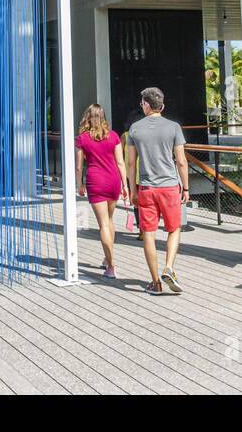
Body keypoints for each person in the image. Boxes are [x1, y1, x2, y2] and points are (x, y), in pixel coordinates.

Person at [125, 87, 189, 295]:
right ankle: (169, 267)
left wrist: (131, 190)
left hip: (146, 187)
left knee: (149, 235)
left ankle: (156, 283)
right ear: (162, 105)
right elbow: (181, 162)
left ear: (145, 104)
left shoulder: (134, 129)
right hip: (170, 187)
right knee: (174, 229)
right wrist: (186, 187)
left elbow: (131, 163)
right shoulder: (173, 127)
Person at [75, 103, 128, 279]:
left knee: (103, 224)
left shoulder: (82, 139)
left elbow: (78, 167)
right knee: (110, 221)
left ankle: (111, 266)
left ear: (88, 117)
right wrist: (125, 185)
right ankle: (107, 258)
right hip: (113, 181)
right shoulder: (113, 136)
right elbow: (121, 163)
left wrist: (79, 184)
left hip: (95, 182)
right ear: (103, 117)